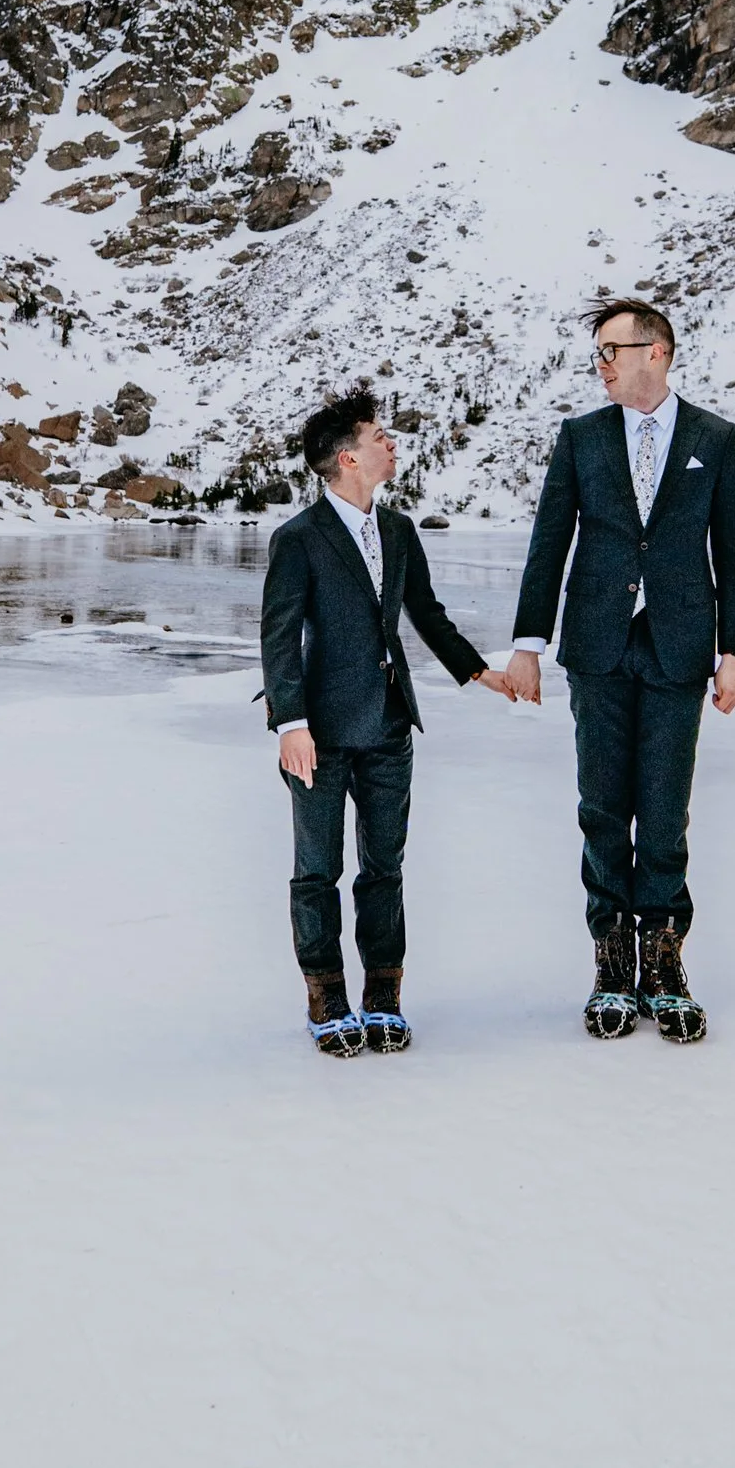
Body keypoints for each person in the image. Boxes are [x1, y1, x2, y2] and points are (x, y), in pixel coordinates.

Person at [506, 299, 735, 1041]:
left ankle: (665, 961)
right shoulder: (581, 437)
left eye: (614, 350)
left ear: (659, 353)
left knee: (666, 810)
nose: (603, 365)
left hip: (679, 643)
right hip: (598, 644)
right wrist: (528, 640)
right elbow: (551, 540)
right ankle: (612, 962)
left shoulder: (716, 437)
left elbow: (732, 553)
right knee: (604, 807)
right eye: (599, 354)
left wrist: (732, 652)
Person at [260, 384, 516, 1057]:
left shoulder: (398, 531)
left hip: (390, 725)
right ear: (348, 458)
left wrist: (475, 670)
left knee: (385, 869)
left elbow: (425, 614)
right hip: (319, 731)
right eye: (380, 437)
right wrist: (291, 723)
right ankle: (326, 996)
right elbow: (279, 637)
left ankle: (383, 996)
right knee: (317, 870)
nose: (391, 444)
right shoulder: (299, 539)